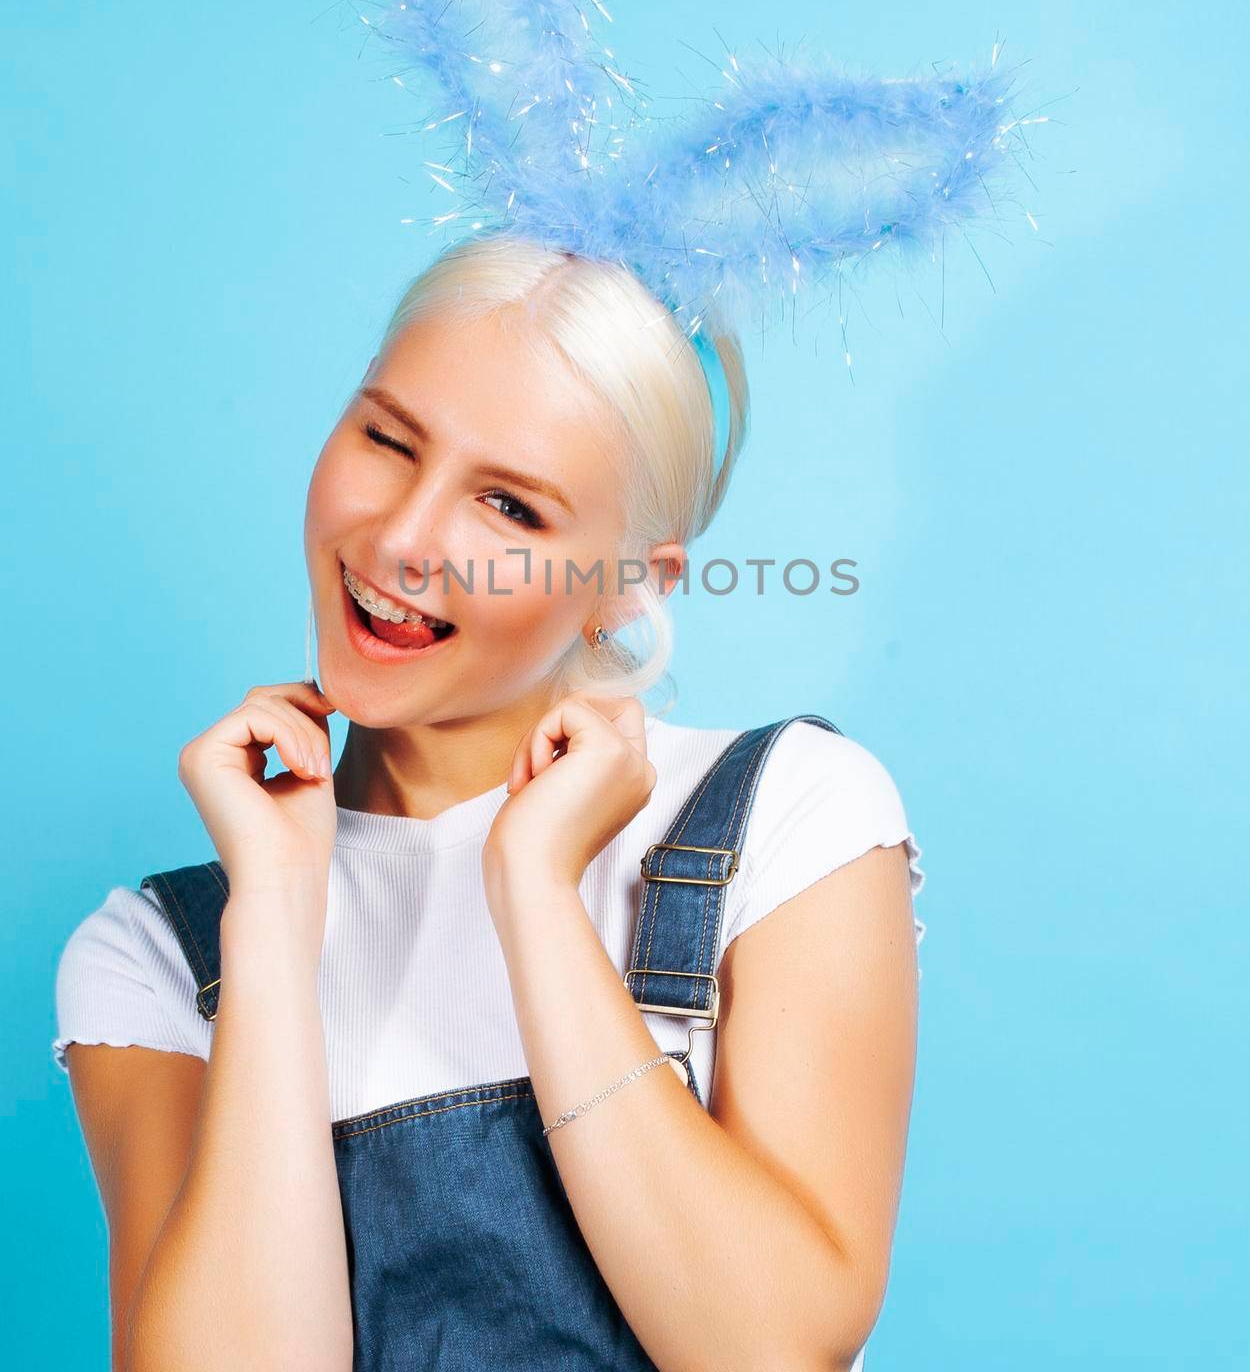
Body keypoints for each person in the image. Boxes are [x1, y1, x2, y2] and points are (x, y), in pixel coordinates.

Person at [53, 231, 926, 1371]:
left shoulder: (787, 820)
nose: (403, 539)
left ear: (625, 587)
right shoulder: (157, 957)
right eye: (385, 439)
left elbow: (767, 1347)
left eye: (510, 507)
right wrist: (269, 931)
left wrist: (532, 892)